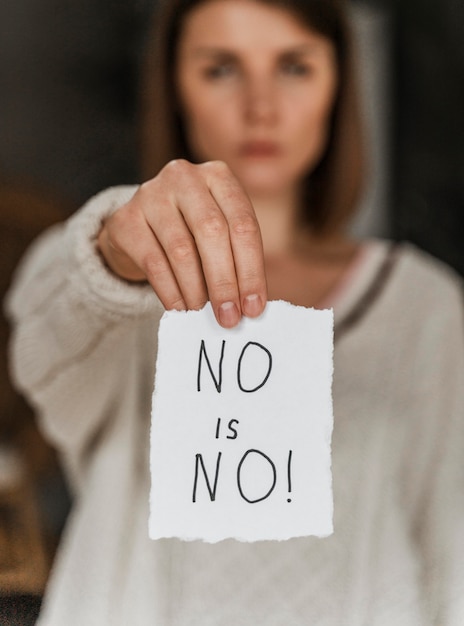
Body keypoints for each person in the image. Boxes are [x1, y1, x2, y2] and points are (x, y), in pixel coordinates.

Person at [5, 0, 463, 623]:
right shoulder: (119, 291)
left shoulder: (425, 306)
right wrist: (112, 246)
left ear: (339, 85)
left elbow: (450, 558)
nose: (261, 106)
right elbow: (41, 336)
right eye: (220, 68)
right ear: (175, 88)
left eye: (294, 67)